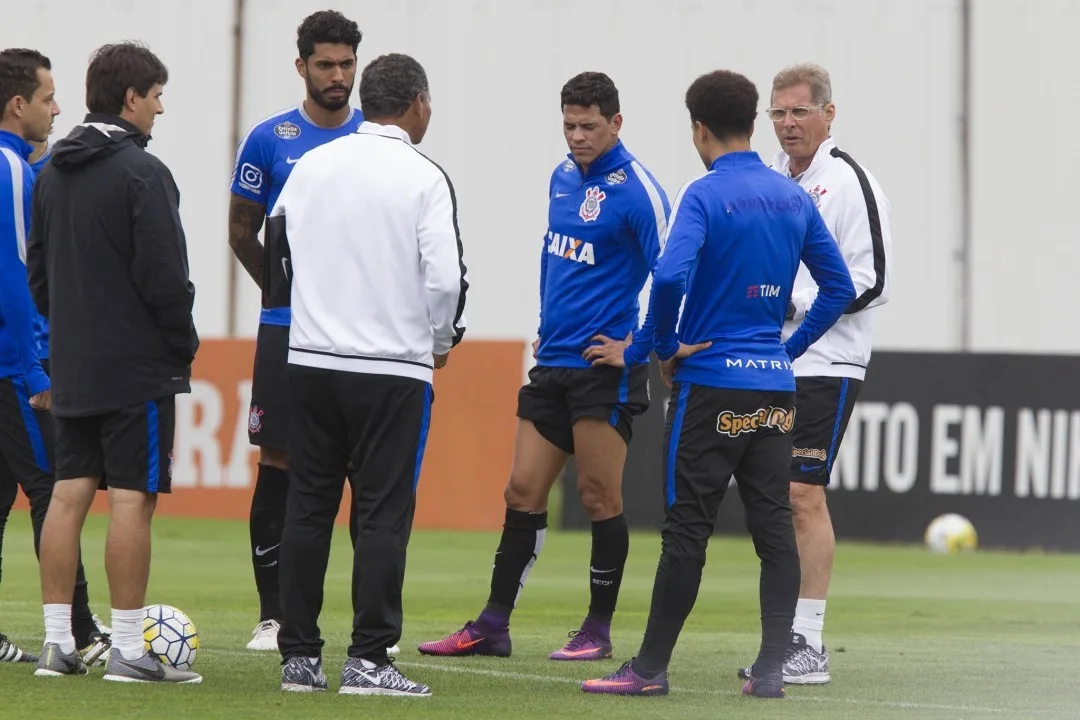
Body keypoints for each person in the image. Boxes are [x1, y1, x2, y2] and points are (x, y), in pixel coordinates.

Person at [581, 69, 856, 699]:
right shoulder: (792, 197)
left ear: (699, 129)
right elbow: (838, 288)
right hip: (775, 388)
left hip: (709, 387)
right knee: (774, 532)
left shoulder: (703, 194)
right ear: (755, 123)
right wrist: (785, 349)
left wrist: (658, 344)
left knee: (687, 531)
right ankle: (768, 671)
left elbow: (672, 273)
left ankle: (648, 670)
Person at [418, 71, 670, 662]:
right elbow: (556, 257)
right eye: (568, 125)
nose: (576, 136)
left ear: (616, 123)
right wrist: (548, 322)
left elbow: (673, 277)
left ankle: (597, 631)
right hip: (553, 361)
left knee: (598, 496)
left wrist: (637, 349)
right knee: (521, 490)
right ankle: (492, 625)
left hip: (602, 370)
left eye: (588, 126)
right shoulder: (561, 177)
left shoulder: (639, 191)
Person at [273, 52, 465, 697]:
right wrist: (439, 341)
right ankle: (370, 659)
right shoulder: (423, 175)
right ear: (418, 104)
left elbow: (279, 247)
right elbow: (443, 278)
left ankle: (298, 656)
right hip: (391, 367)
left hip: (311, 358)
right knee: (382, 513)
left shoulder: (312, 164)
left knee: (307, 506)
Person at [28, 41, 201, 683]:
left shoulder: (51, 171)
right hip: (136, 370)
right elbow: (165, 278)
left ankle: (57, 645)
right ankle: (129, 648)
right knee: (132, 500)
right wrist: (182, 343)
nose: (159, 108)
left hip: (73, 365)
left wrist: (70, 336)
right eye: (156, 95)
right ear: (130, 97)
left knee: (68, 496)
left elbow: (38, 275)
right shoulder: (143, 174)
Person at [734, 62, 893, 685]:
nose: (787, 123)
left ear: (829, 113)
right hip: (768, 361)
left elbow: (871, 278)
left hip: (827, 358)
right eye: (778, 112)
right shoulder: (772, 179)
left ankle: (809, 642)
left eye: (800, 111)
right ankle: (783, 640)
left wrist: (790, 301)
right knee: (771, 500)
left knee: (802, 495)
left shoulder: (850, 182)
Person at [227, 9, 378, 653]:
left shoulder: (376, 139)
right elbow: (240, 229)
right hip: (285, 330)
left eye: (347, 64)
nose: (338, 76)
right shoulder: (270, 139)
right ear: (302, 67)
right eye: (326, 64)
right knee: (281, 463)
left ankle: (367, 625)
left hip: (358, 336)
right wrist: (284, 294)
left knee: (360, 472)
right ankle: (274, 615)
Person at [0, 47, 110, 667]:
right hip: (15, 363)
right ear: (19, 105)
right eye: (47, 98)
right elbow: (16, 277)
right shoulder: (12, 170)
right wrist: (37, 365)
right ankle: (82, 631)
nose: (57, 108)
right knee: (54, 490)